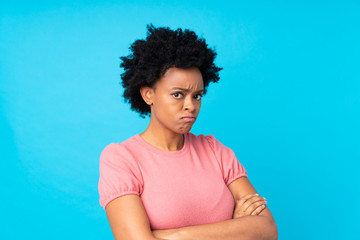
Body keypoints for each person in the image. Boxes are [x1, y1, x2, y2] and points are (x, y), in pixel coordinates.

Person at [98, 24, 278, 240]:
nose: (190, 106)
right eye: (177, 94)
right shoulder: (122, 159)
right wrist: (234, 227)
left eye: (197, 96)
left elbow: (267, 230)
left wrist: (173, 235)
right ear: (148, 95)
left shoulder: (215, 151)